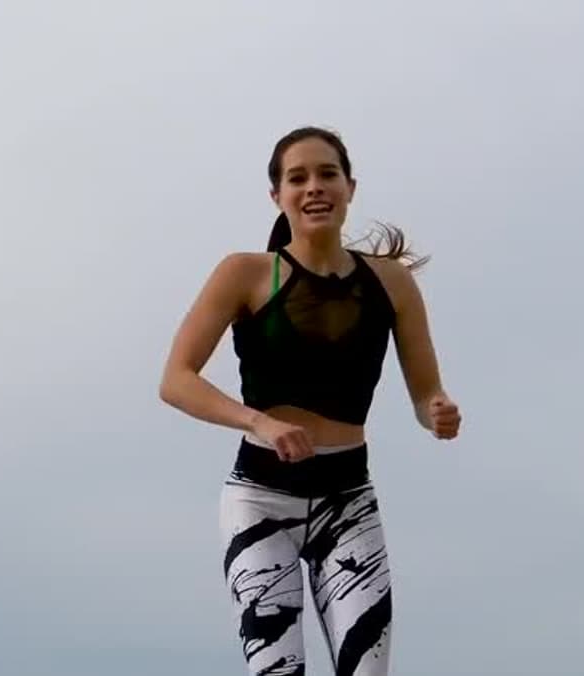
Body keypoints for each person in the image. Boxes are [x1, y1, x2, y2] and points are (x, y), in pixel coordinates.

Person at [158, 125, 462, 676]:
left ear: (350, 187)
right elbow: (176, 380)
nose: (314, 187)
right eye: (297, 178)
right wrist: (260, 423)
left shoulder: (392, 283)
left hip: (348, 500)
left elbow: (426, 393)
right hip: (260, 497)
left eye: (327, 174)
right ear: (277, 195)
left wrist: (437, 412)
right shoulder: (244, 273)